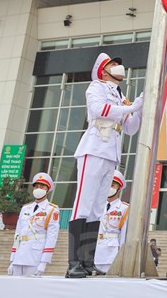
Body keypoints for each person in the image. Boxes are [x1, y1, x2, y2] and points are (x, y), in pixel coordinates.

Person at [67, 53, 143, 278]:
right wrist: (130, 109)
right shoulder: (96, 87)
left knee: (97, 210)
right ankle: (73, 263)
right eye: (113, 64)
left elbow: (130, 129)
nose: (119, 67)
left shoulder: (121, 96)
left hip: (111, 152)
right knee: (83, 205)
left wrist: (138, 109)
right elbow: (100, 110)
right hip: (94, 148)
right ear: (103, 70)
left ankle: (87, 262)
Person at [9, 173, 59, 277]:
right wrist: (12, 259)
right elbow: (17, 234)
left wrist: (44, 262)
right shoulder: (25, 209)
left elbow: (52, 237)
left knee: (30, 290)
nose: (38, 189)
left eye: (42, 187)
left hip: (35, 256)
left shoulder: (52, 209)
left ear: (47, 189)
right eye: (36, 186)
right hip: (19, 255)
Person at [93, 170, 129, 274]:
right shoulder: (96, 206)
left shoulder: (124, 208)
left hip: (112, 252)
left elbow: (124, 234)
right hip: (96, 251)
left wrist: (122, 256)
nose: (109, 188)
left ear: (118, 188)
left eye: (112, 185)